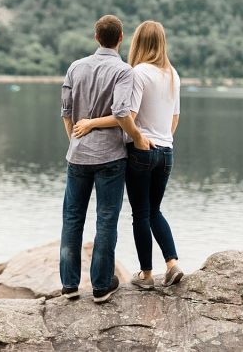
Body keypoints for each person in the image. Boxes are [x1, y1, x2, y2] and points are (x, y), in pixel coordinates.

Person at [73, 20, 183, 289]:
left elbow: (126, 117)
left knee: (140, 214)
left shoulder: (138, 73)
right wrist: (161, 139)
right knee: (155, 210)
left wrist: (91, 122)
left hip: (141, 152)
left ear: (137, 42)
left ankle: (146, 275)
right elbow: (175, 117)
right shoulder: (172, 74)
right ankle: (172, 264)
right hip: (166, 151)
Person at [59, 15, 152, 303]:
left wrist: (76, 140)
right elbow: (123, 113)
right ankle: (101, 286)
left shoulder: (76, 67)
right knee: (106, 219)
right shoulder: (124, 71)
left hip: (78, 155)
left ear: (96, 37)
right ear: (121, 38)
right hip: (111, 156)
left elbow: (66, 112)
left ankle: (70, 285)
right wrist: (137, 137)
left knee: (72, 219)